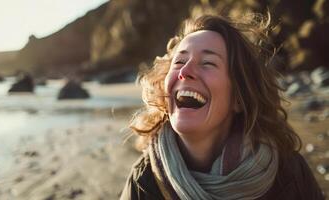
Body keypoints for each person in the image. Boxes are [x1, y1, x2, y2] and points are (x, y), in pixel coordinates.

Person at [120, 13, 324, 200]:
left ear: (238, 97)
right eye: (179, 61)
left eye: (208, 63)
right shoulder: (144, 183)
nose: (185, 71)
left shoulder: (287, 174)